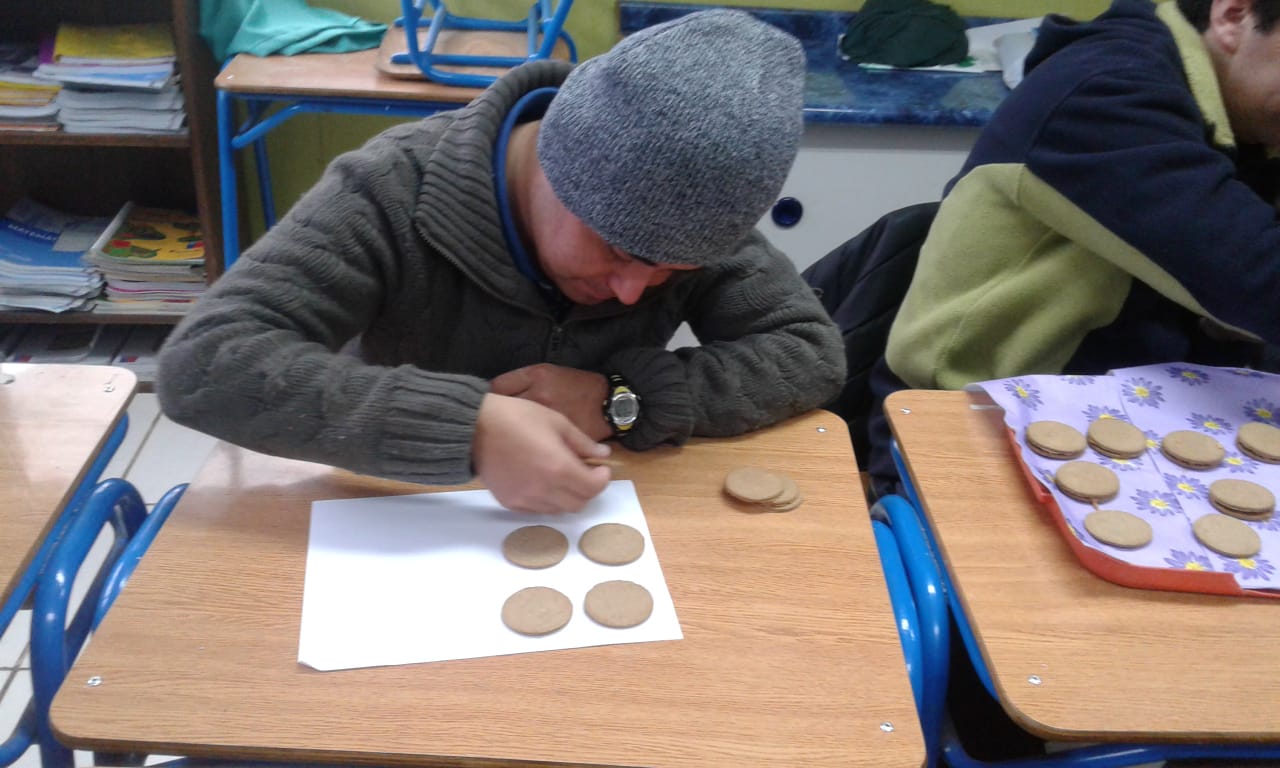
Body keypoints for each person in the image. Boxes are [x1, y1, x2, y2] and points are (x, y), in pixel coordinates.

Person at [156, 10, 846, 515]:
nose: (635, 292)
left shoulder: (683, 219)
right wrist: (469, 425)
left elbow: (808, 350)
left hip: (594, 515)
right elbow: (203, 363)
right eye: (617, 251)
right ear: (553, 162)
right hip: (396, 511)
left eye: (673, 272)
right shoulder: (388, 190)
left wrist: (619, 398)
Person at [866, 0, 1280, 496]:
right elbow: (1258, 278)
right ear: (1233, 16)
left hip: (1150, 417)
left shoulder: (1251, 114)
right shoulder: (1107, 91)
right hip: (972, 429)